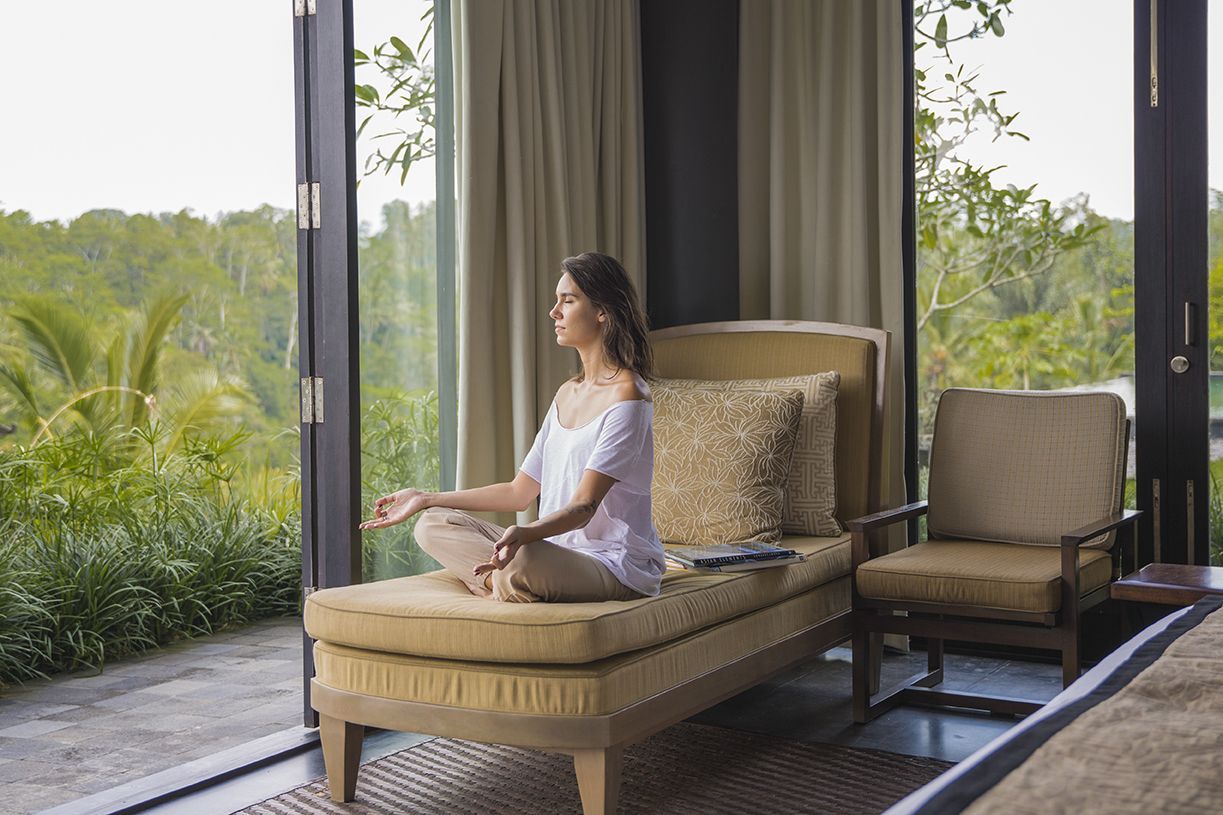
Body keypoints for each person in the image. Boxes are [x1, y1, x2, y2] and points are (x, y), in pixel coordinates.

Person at [359, 252, 665, 603]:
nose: (555, 312)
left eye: (568, 300)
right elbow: (519, 491)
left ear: (602, 311)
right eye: (557, 301)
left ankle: (498, 582)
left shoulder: (629, 394)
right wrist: (426, 498)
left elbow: (584, 507)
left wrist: (529, 534)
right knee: (433, 524)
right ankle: (499, 584)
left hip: (612, 564)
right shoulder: (567, 394)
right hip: (555, 551)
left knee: (524, 557)